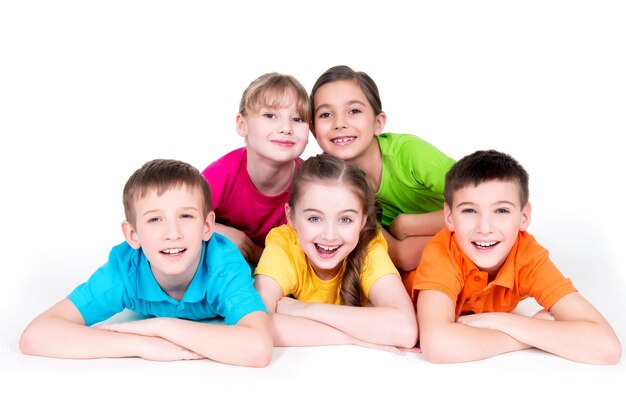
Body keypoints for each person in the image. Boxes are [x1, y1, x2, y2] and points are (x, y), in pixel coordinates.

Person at [19, 159, 273, 367]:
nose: (172, 233)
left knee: (283, 314)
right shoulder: (126, 270)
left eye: (185, 216)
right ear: (133, 235)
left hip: (268, 274)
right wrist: (140, 345)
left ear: (207, 226)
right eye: (154, 220)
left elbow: (257, 348)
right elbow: (35, 336)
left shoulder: (222, 265)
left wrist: (160, 327)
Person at [410, 149, 621, 364]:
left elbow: (606, 348)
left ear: (524, 216)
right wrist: (528, 336)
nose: (484, 228)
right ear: (449, 217)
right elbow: (438, 345)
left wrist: (500, 321)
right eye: (469, 211)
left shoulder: (528, 256)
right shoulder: (442, 251)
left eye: (501, 211)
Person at [254, 153, 417, 351]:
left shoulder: (369, 246)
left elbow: (405, 330)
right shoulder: (284, 244)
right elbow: (257, 325)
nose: (330, 236)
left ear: (363, 221)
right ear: (291, 217)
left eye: (345, 220)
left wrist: (305, 310)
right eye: (314, 218)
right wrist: (353, 338)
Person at [309, 65, 456, 272]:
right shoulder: (333, 186)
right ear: (313, 130)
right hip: (436, 262)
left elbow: (484, 206)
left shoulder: (409, 154)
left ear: (378, 123)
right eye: (326, 114)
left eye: (354, 111)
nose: (339, 123)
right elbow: (401, 256)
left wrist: (407, 225)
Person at [202, 72, 311, 266]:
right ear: (242, 125)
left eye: (298, 119)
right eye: (270, 116)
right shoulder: (223, 172)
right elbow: (176, 218)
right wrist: (219, 233)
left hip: (276, 273)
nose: (286, 128)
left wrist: (252, 250)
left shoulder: (310, 185)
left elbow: (299, 263)